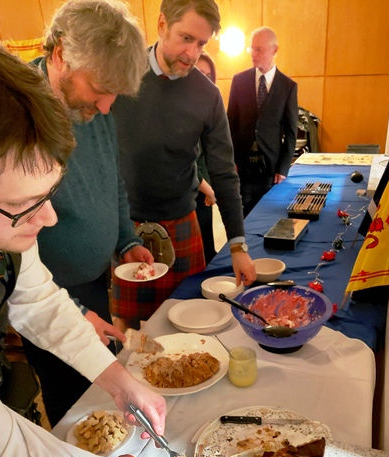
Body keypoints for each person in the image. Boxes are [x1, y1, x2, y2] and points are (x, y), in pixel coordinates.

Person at [0, 37, 222, 457]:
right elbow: (6, 450)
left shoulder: (6, 229)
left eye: (48, 195)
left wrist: (118, 379)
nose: (49, 218)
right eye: (25, 204)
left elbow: (39, 302)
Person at [20, 0, 155, 427]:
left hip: (93, 282)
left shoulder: (92, 108)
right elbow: (16, 266)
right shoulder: (18, 114)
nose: (106, 107)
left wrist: (126, 238)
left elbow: (111, 181)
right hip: (45, 296)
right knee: (74, 412)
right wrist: (75, 313)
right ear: (61, 54)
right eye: (99, 89)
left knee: (102, 393)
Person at [112, 0, 256, 328]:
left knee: (190, 323)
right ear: (162, 24)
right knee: (128, 329)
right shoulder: (120, 76)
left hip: (182, 223)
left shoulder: (208, 95)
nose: (192, 54)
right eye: (186, 38)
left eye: (201, 43)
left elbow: (223, 172)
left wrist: (237, 245)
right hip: (126, 226)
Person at [227, 26, 298, 217]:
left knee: (268, 217)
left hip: (271, 168)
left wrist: (283, 168)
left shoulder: (288, 87)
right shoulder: (239, 81)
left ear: (274, 50)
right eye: (251, 48)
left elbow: (290, 132)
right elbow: (230, 125)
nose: (253, 54)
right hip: (242, 166)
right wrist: (231, 160)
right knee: (243, 217)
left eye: (259, 49)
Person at [195, 51, 217, 264]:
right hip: (191, 191)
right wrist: (207, 188)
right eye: (198, 73)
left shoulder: (207, 107)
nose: (204, 80)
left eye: (208, 75)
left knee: (207, 247)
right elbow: (185, 161)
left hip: (203, 189)